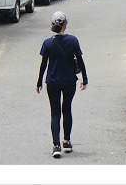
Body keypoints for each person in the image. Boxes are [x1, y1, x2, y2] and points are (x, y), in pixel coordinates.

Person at [36, 11, 88, 158]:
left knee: (55, 113)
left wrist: (39, 82)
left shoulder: (47, 43)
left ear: (52, 24)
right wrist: (85, 78)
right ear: (66, 24)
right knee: (67, 109)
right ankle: (67, 141)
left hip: (52, 82)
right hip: (69, 81)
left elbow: (43, 65)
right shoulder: (73, 40)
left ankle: (56, 145)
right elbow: (80, 60)